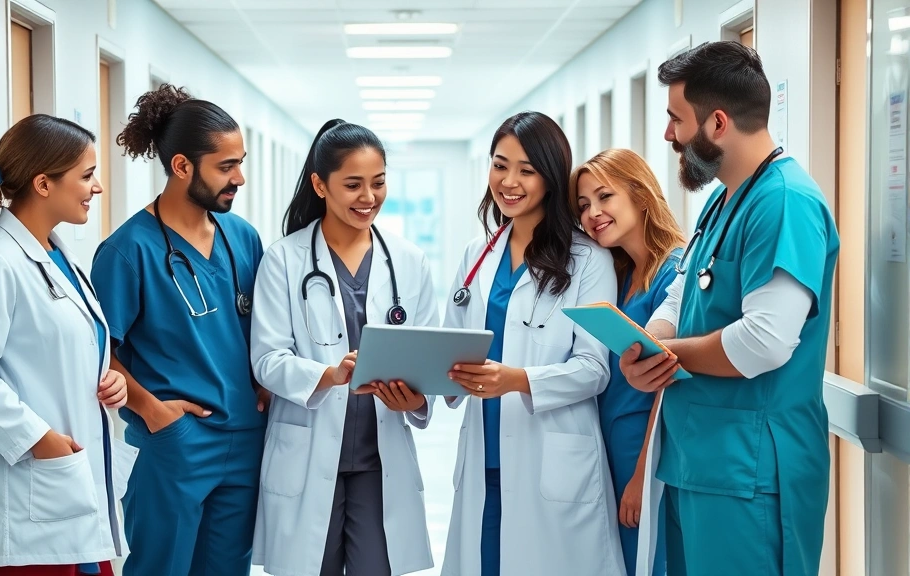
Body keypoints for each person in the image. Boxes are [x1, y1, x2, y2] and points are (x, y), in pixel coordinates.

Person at [620, 41, 839, 576]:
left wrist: (664, 354)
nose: (668, 134)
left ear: (717, 123)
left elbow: (763, 340)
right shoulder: (723, 200)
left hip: (752, 473)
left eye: (676, 119)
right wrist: (647, 343)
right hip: (701, 464)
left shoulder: (786, 201)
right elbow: (683, 293)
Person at [90, 84, 266, 576]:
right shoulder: (128, 251)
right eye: (226, 167)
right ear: (182, 166)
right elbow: (96, 351)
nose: (240, 178)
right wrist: (154, 412)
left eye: (241, 162)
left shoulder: (243, 238)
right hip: (176, 442)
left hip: (246, 437)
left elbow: (266, 330)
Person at [440, 111, 625, 576]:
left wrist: (517, 380)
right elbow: (451, 348)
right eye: (500, 165)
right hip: (485, 459)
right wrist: (425, 379)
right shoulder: (476, 254)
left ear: (550, 177)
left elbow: (593, 368)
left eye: (526, 169)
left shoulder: (588, 260)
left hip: (550, 459)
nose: (509, 181)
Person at [249, 119, 437, 576]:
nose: (368, 197)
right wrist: (328, 375)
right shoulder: (284, 259)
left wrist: (417, 398)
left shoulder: (408, 261)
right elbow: (267, 359)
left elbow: (430, 354)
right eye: (353, 185)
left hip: (379, 456)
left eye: (378, 182)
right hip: (309, 450)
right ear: (320, 184)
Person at [0, 114, 134, 576]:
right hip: (32, 492)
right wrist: (40, 440)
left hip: (73, 485)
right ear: (43, 184)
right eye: (87, 175)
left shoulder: (57, 254)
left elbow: (67, 348)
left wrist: (108, 380)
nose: (97, 188)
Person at [569, 148, 684, 576]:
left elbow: (667, 384)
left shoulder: (673, 272)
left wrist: (641, 477)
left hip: (644, 448)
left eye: (604, 197)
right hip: (612, 444)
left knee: (648, 561)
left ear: (640, 195)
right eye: (583, 206)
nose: (593, 213)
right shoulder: (619, 277)